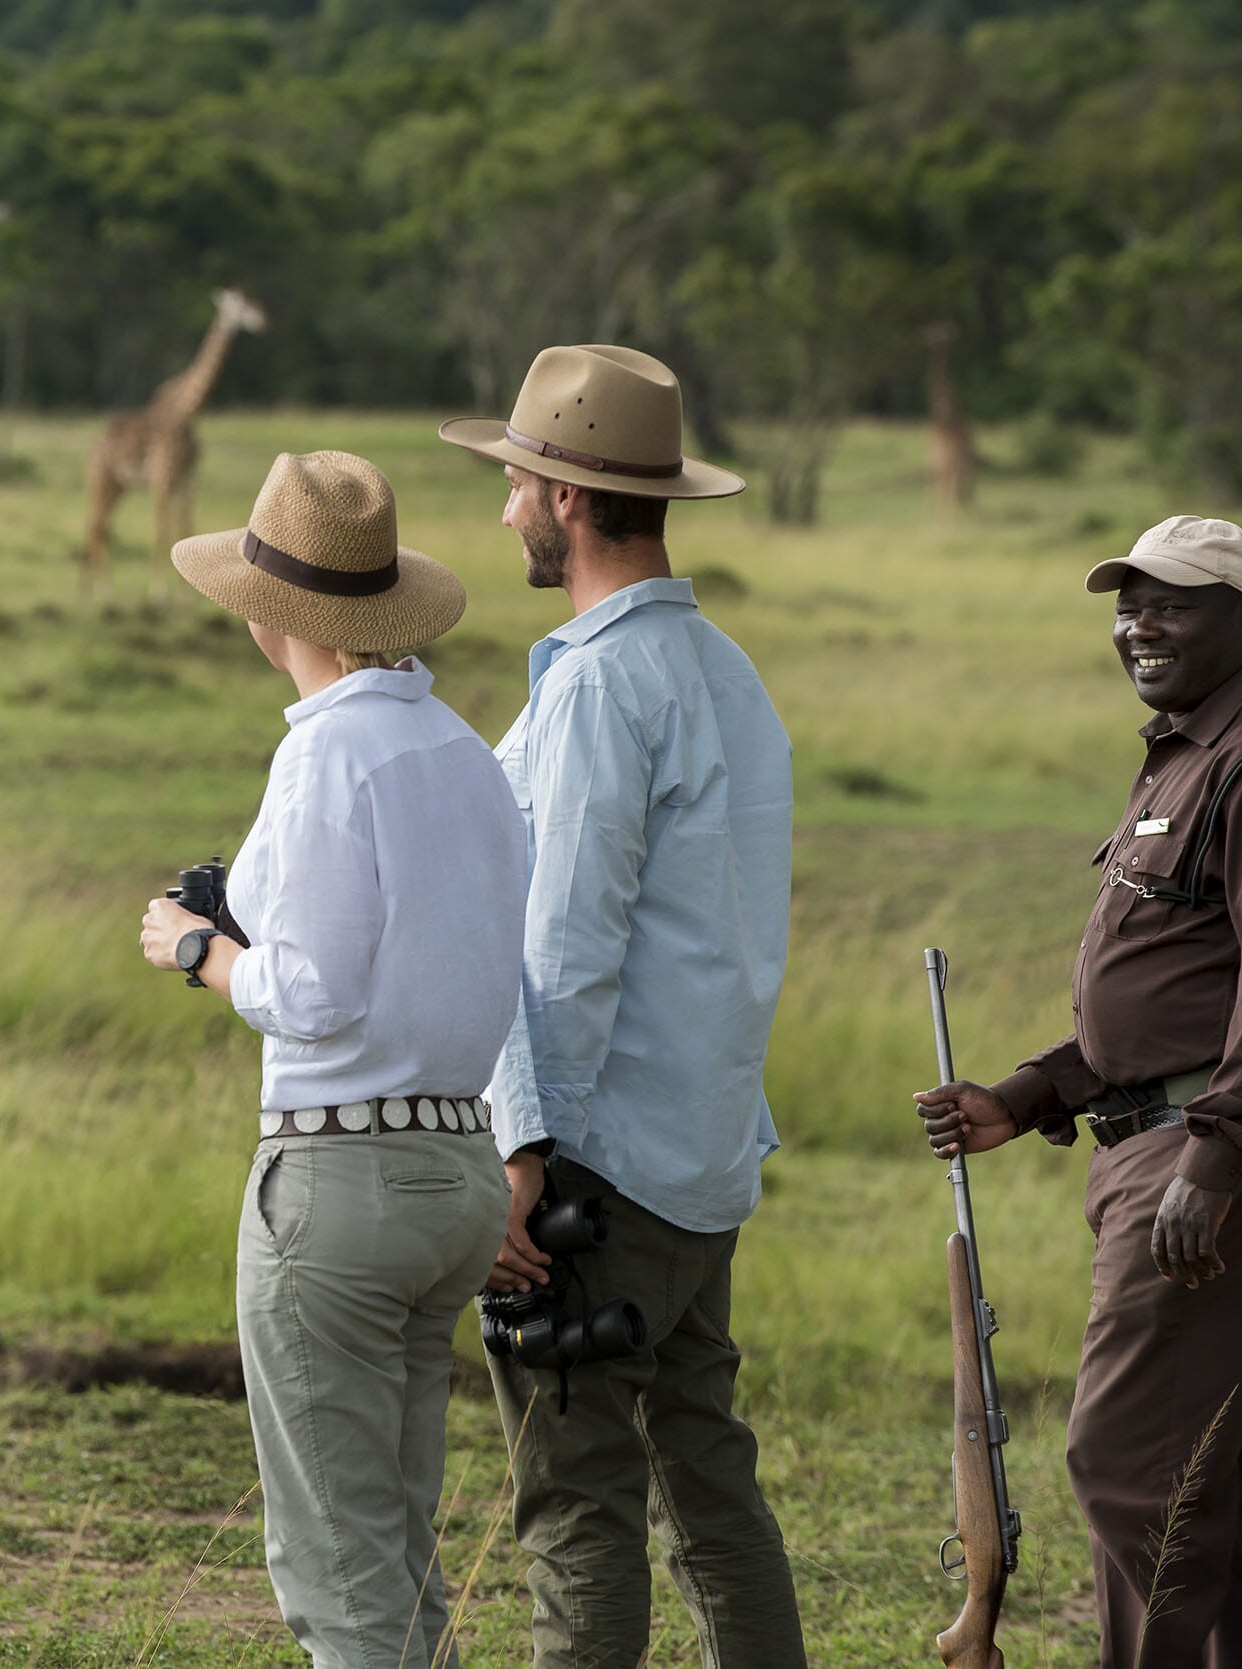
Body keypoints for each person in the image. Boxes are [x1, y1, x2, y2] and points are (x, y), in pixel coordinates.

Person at [915, 515, 1242, 1669]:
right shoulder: (1188, 750)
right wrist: (1026, 1094)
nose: (1139, 625)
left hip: (1210, 1155)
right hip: (1157, 1140)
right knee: (1213, 1459)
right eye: (1127, 603)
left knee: (1132, 1464)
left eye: (1173, 602)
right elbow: (1174, 990)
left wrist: (1215, 1157)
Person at [440, 344, 807, 1668]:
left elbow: (565, 949)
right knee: (710, 1489)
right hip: (700, 1159)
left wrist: (515, 1160)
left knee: (578, 1509)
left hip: (599, 1174)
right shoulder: (728, 673)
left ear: (569, 496)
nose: (505, 511)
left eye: (518, 483)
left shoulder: (598, 682)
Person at [135, 449, 526, 1669]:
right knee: (393, 1543)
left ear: (267, 613)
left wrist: (196, 944)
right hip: (457, 1169)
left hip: (343, 1187)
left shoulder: (321, 754)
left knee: (337, 1571)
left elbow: (307, 992)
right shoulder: (465, 751)